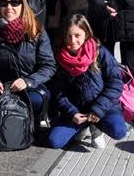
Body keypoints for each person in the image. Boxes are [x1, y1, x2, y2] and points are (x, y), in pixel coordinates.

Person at [0, 0, 56, 127]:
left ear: (22, 5)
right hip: (3, 87)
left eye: (15, 2)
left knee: (36, 100)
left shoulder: (36, 31)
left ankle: (32, 123)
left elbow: (49, 66)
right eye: (4, 3)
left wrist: (27, 81)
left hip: (30, 87)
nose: (9, 7)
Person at [47, 14, 126, 149]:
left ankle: (97, 128)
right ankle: (82, 126)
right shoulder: (59, 57)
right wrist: (72, 113)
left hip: (103, 107)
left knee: (118, 131)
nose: (72, 41)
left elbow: (116, 83)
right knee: (54, 141)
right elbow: (58, 91)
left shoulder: (99, 52)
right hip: (77, 110)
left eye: (77, 35)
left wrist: (98, 110)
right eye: (68, 36)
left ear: (86, 33)